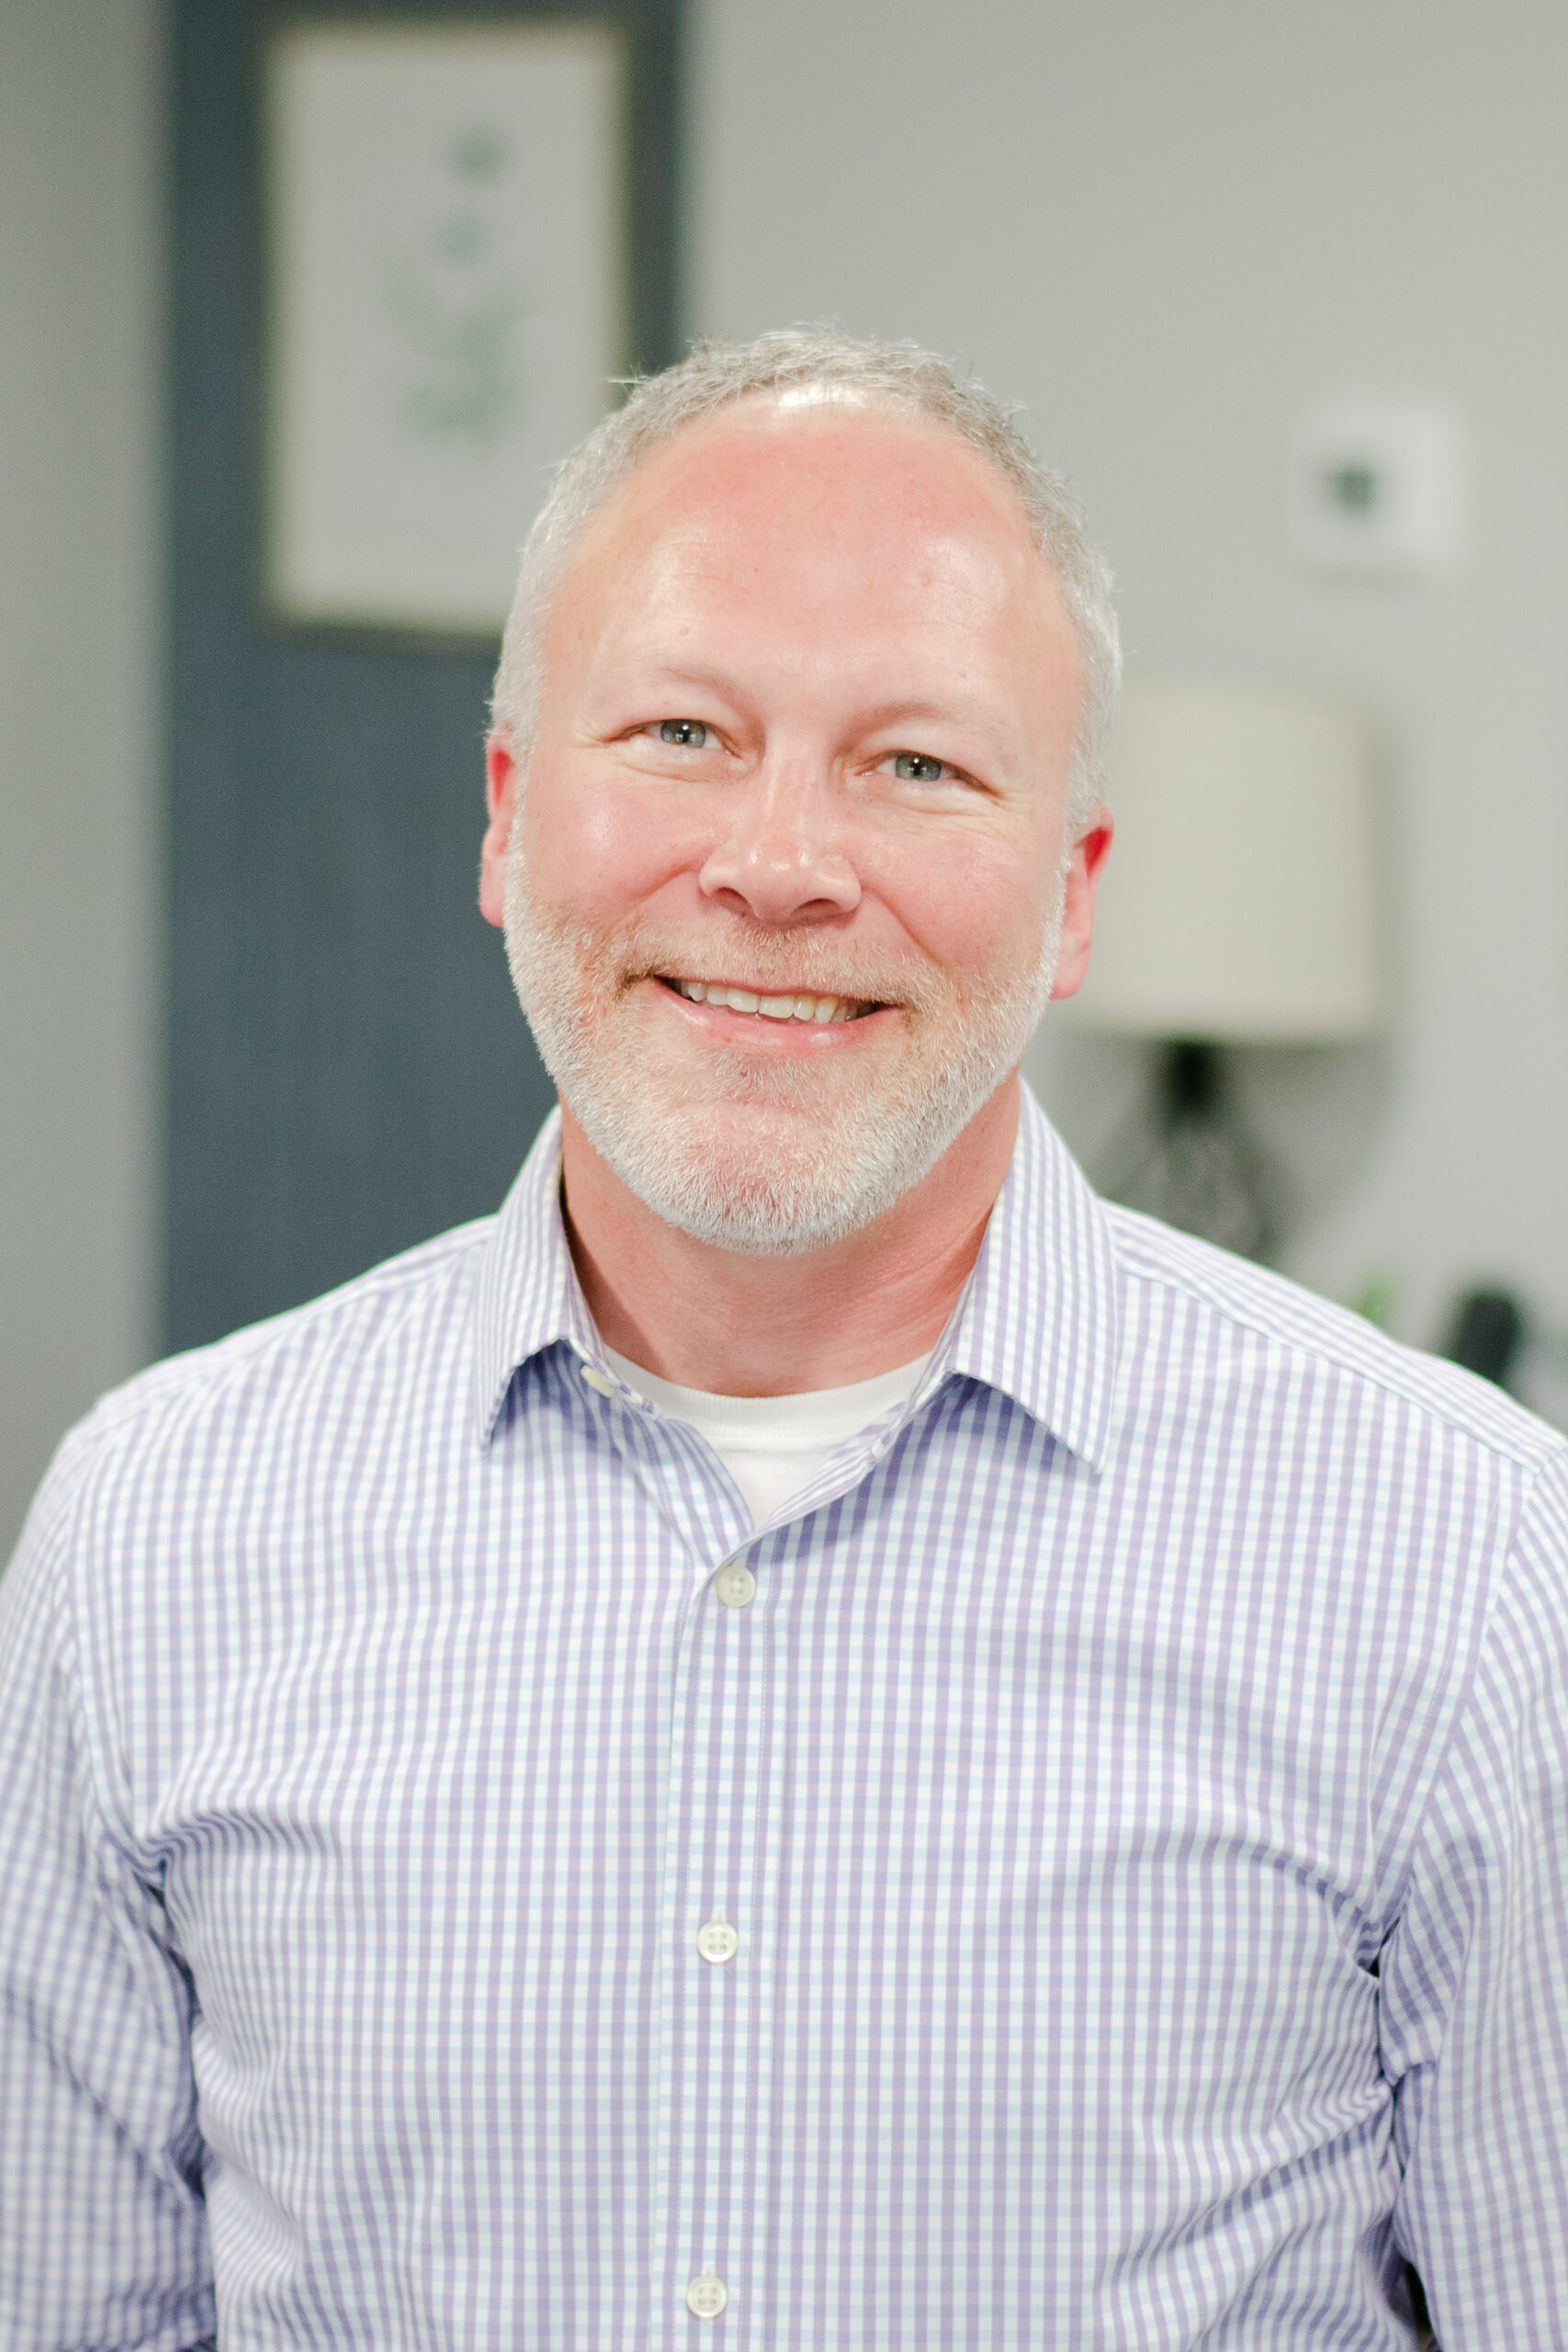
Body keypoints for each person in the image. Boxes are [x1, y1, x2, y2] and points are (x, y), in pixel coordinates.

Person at [1, 328, 1564, 2352]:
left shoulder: (1468, 1565)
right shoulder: (151, 1533)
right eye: (675, 732)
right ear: (502, 818)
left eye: (913, 762)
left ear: (1071, 894)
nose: (774, 864)